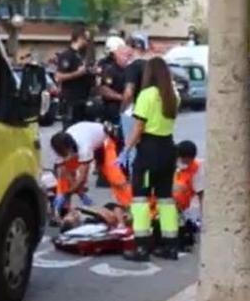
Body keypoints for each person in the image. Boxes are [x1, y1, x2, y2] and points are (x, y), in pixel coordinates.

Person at [119, 57, 179, 262]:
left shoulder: (146, 95)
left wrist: (126, 149)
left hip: (149, 151)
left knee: (140, 198)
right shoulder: (173, 95)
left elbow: (138, 126)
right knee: (165, 198)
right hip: (168, 148)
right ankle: (171, 245)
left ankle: (142, 247)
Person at [50, 121, 132, 218]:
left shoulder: (84, 147)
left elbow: (82, 177)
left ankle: (130, 205)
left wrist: (73, 192)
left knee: (115, 177)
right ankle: (64, 210)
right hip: (83, 138)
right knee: (63, 179)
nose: (64, 156)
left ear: (70, 147)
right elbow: (63, 172)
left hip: (103, 142)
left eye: (66, 153)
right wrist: (64, 193)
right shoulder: (57, 148)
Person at [119, 33, 152, 170]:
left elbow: (129, 92)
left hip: (136, 110)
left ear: (131, 47)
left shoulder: (132, 67)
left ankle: (135, 184)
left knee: (132, 148)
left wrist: (121, 109)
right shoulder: (151, 66)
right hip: (152, 112)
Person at [56, 27, 93, 128]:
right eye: (86, 39)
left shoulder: (80, 56)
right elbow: (59, 76)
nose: (87, 43)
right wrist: (77, 73)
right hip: (70, 101)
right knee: (70, 130)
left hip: (82, 99)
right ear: (80, 38)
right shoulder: (67, 55)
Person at [173, 141, 204, 251]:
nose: (188, 162)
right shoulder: (168, 162)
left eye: (190, 160)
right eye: (185, 160)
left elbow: (201, 194)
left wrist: (204, 217)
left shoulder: (196, 168)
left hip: (181, 207)